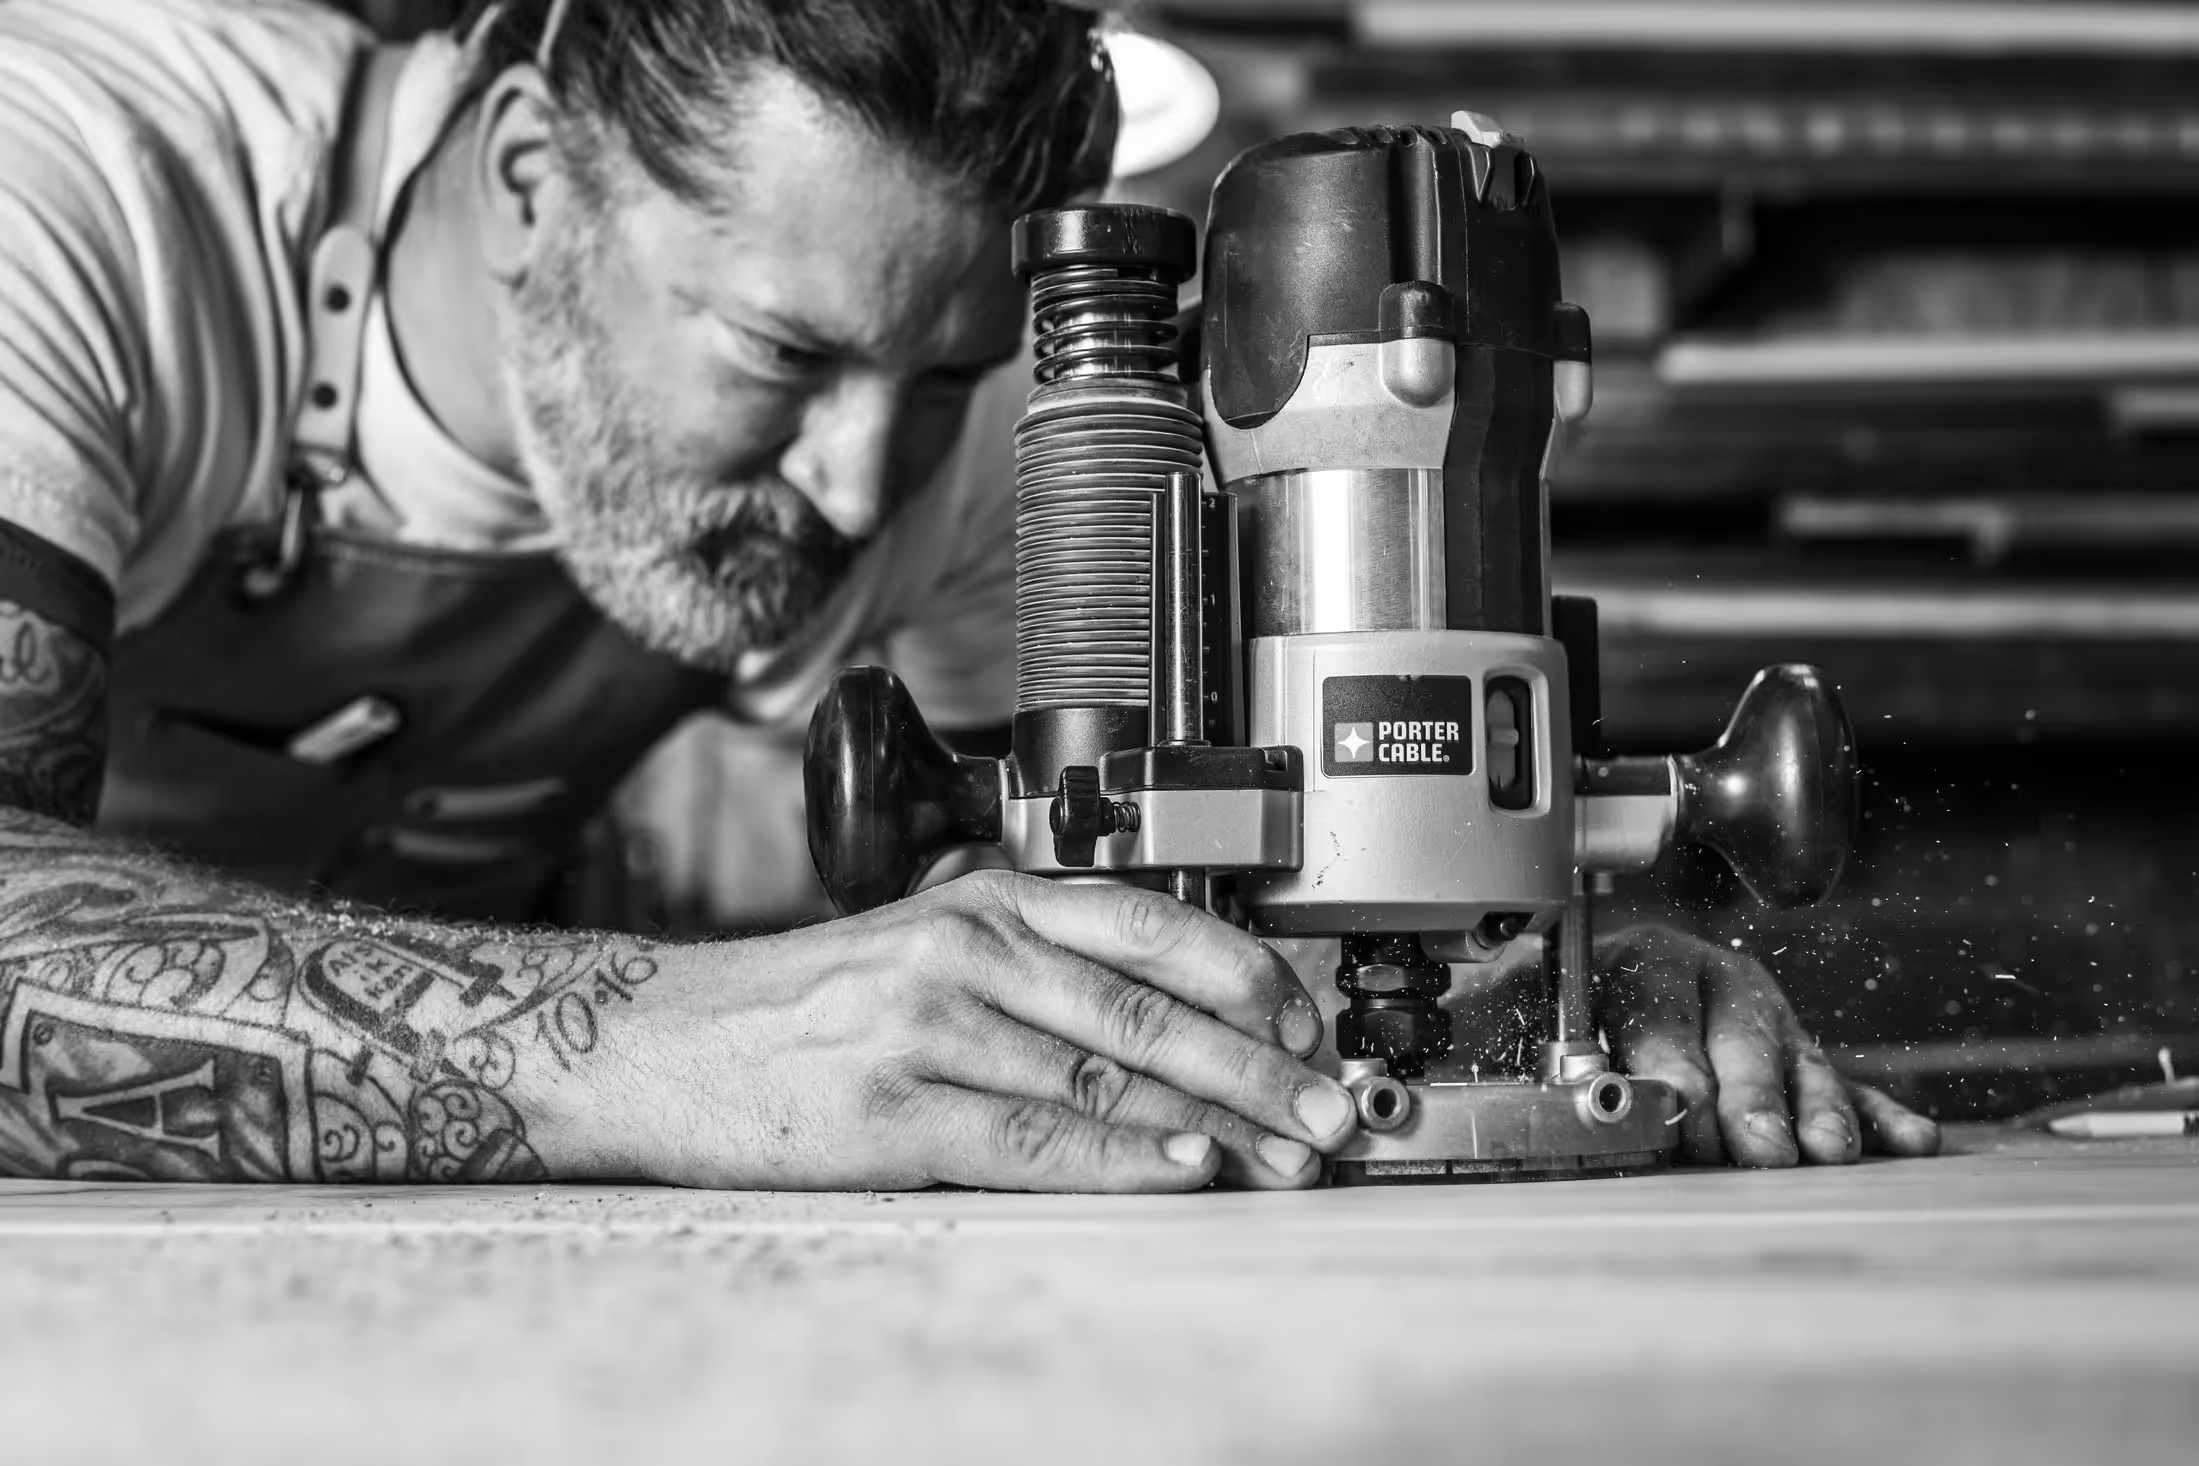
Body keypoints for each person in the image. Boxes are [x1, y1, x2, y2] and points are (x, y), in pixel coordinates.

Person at [0, 0, 1938, 1192]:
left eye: (938, 377)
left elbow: (1105, 923)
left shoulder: (962, 415)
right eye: (777, 354)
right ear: (527, 177)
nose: (861, 478)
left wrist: (1527, 985)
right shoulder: (73, 190)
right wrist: (671, 1043)